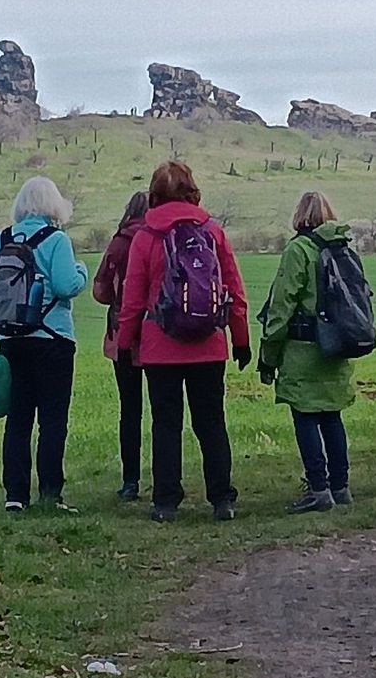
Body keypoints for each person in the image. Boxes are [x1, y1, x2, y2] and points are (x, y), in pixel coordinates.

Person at [116, 160, 251, 523]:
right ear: (193, 191)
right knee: (211, 422)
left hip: (160, 345)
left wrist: (126, 342)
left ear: (153, 195)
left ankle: (165, 501)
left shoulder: (146, 236)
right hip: (209, 343)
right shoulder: (213, 232)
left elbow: (132, 299)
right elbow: (234, 290)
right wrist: (240, 339)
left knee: (165, 423)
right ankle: (222, 498)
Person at [0, 176, 88, 513]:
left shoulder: (2, 239)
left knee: (18, 420)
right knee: (52, 420)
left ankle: (15, 495)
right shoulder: (56, 240)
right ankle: (50, 493)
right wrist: (82, 271)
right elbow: (67, 285)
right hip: (53, 339)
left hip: (12, 340)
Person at [258, 191, 357, 513]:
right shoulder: (343, 249)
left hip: (303, 347)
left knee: (306, 417)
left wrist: (268, 353)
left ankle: (318, 487)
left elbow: (282, 305)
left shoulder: (298, 249)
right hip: (337, 345)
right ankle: (340, 486)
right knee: (332, 416)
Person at [92, 191, 150, 500]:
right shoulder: (160, 238)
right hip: (158, 335)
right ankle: (168, 475)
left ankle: (130, 480)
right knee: (165, 411)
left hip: (122, 335)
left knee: (130, 410)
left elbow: (100, 290)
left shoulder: (120, 242)